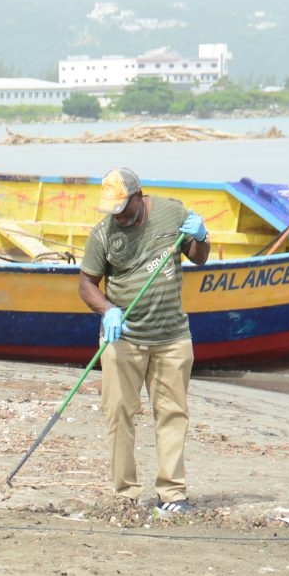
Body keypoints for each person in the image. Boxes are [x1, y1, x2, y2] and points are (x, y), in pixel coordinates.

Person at [74, 166, 210, 516]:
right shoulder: (103, 234)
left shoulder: (172, 212)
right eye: (112, 209)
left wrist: (201, 237)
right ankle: (125, 494)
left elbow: (198, 256)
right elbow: (86, 284)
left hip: (172, 337)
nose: (117, 215)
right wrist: (107, 311)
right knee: (119, 413)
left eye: (123, 207)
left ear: (139, 196)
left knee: (172, 414)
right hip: (124, 339)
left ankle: (172, 494)